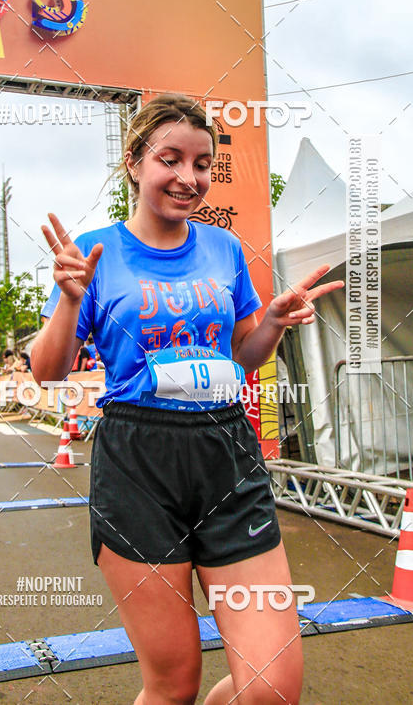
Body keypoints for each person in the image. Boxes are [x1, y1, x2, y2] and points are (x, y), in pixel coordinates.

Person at [31, 94, 343, 704]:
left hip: (227, 452)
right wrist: (69, 300)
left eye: (202, 164)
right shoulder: (95, 250)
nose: (187, 177)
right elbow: (48, 371)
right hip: (137, 462)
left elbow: (245, 357)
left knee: (273, 687)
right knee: (173, 685)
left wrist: (273, 321)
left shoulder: (223, 249)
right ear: (133, 162)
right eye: (168, 158)